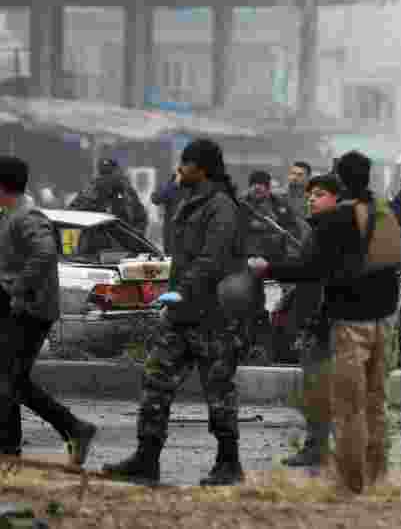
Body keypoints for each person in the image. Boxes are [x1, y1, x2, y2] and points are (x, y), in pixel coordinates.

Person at [251, 152, 401, 494]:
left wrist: (268, 269)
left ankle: (350, 483)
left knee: (349, 408)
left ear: (342, 181)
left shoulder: (337, 219)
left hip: (349, 321)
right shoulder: (385, 213)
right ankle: (378, 476)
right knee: (376, 405)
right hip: (384, 320)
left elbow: (312, 271)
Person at [103, 139, 248, 487]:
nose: (179, 168)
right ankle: (146, 458)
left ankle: (229, 462)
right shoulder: (188, 200)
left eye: (186, 162)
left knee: (218, 390)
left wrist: (182, 290)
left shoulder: (220, 207)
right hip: (182, 314)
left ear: (202, 168)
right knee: (155, 380)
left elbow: (212, 260)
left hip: (212, 314)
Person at [0, 156, 98, 463]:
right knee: (10, 379)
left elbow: (44, 253)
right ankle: (11, 449)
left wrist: (18, 288)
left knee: (9, 380)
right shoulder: (10, 214)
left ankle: (72, 428)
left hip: (30, 312)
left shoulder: (27, 216)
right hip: (17, 310)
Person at [278, 174, 339, 467]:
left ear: (336, 199)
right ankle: (319, 448)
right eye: (310, 194)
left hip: (332, 323)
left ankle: (328, 449)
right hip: (317, 321)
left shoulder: (336, 233)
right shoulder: (316, 231)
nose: (312, 199)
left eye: (320, 194)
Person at [242, 170, 308, 262]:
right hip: (247, 256)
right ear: (249, 188)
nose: (257, 192)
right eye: (254, 188)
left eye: (261, 188)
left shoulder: (280, 204)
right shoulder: (241, 205)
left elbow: (293, 228)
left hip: (275, 256)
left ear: (268, 189)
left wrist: (280, 237)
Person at [70, 158, 148, 234]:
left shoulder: (125, 191)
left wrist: (135, 234)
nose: (107, 179)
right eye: (103, 175)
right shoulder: (93, 189)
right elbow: (73, 212)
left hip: (121, 240)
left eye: (109, 174)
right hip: (97, 239)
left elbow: (140, 217)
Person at [151, 173, 184, 252]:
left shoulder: (195, 186)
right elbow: (156, 199)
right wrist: (172, 185)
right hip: (171, 233)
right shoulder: (171, 185)